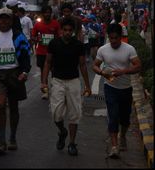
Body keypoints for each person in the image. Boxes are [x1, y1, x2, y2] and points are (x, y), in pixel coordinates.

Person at [42, 18, 91, 156]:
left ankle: (72, 143)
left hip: (73, 81)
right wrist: (44, 81)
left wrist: (87, 86)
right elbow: (47, 62)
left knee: (75, 114)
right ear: (61, 31)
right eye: (65, 30)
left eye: (70, 30)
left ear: (74, 31)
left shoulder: (78, 45)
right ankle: (62, 131)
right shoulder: (54, 44)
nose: (68, 33)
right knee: (56, 113)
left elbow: (82, 65)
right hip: (57, 81)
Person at [93, 23, 141, 159]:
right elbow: (95, 65)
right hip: (110, 88)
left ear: (121, 37)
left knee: (125, 119)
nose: (113, 41)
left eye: (115, 38)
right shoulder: (103, 50)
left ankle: (123, 136)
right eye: (111, 38)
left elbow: (138, 66)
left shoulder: (129, 49)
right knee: (113, 116)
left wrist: (123, 71)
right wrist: (102, 72)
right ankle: (114, 146)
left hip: (126, 88)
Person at [0, 7, 31, 155]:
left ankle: (12, 137)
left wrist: (24, 72)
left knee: (13, 108)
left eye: (7, 18)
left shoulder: (19, 37)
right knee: (1, 105)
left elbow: (26, 57)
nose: (4, 21)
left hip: (15, 75)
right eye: (1, 18)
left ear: (12, 20)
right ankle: (1, 140)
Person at [31, 5, 61, 99]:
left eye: (49, 12)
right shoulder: (37, 25)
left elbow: (59, 36)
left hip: (53, 52)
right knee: (43, 71)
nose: (47, 14)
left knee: (54, 71)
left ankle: (54, 88)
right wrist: (37, 39)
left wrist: (55, 41)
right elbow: (33, 37)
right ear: (42, 14)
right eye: (45, 12)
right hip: (41, 52)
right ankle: (45, 90)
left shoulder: (55, 24)